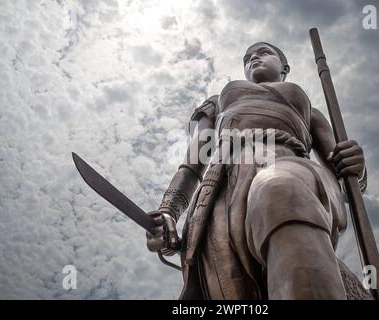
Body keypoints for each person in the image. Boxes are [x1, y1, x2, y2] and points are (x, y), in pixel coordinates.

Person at [146, 42, 367, 299]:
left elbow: (344, 178)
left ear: (284, 67)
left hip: (291, 162)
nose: (253, 58)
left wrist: (356, 169)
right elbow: (192, 164)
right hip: (224, 186)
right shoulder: (217, 104)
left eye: (263, 53)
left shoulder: (309, 111)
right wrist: (167, 211)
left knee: (280, 190)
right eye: (247, 57)